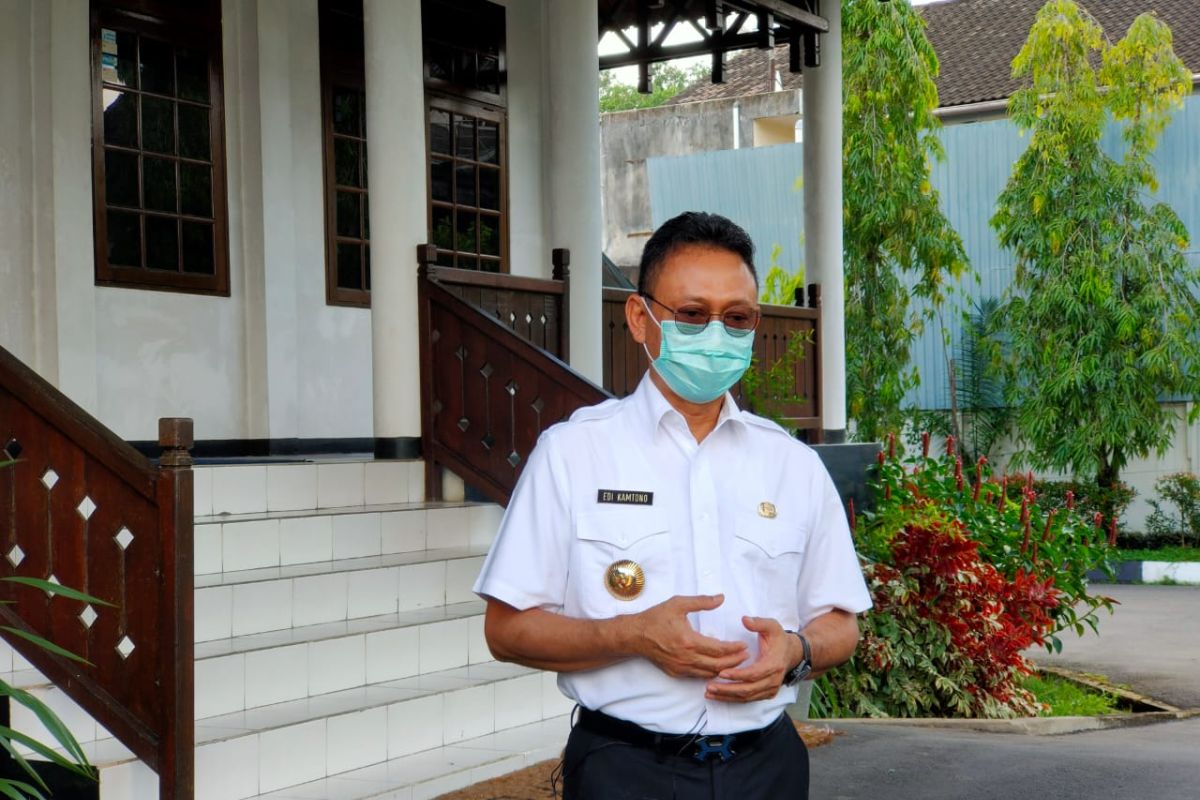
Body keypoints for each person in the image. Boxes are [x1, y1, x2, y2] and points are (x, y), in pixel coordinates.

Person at [473, 211, 872, 800]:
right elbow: (506, 631)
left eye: (736, 318)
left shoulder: (791, 464)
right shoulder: (573, 454)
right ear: (641, 318)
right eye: (692, 314)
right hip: (627, 769)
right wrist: (631, 635)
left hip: (767, 768)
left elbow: (842, 625)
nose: (717, 334)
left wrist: (796, 651)